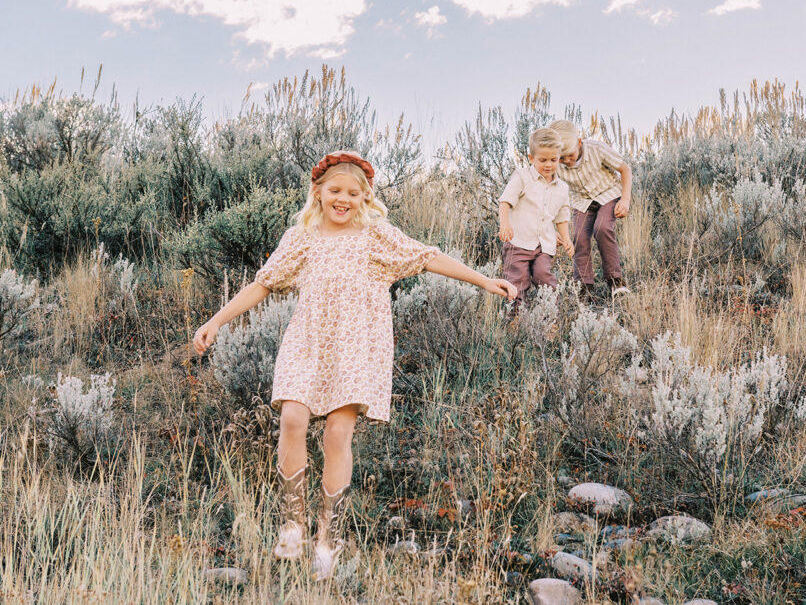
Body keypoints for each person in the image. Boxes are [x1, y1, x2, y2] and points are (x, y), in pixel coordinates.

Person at [191, 151, 517, 580]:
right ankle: (294, 523)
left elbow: (428, 257)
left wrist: (482, 279)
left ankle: (330, 537)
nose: (342, 199)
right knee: (291, 419)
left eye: (352, 192)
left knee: (336, 433)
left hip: (357, 350)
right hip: (307, 345)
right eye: (334, 191)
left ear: (365, 196)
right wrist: (216, 320)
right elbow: (262, 284)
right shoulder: (301, 237)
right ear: (319, 193)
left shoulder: (375, 236)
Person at [549, 120, 632, 299]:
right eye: (561, 159)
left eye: (570, 155)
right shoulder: (555, 164)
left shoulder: (597, 149)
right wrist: (550, 226)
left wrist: (625, 200)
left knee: (602, 228)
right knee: (579, 236)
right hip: (582, 201)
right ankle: (584, 287)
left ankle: (615, 281)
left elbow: (625, 170)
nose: (567, 162)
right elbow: (551, 195)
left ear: (579, 143)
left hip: (608, 193)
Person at [498, 128, 574, 305]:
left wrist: (566, 238)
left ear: (559, 157)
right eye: (543, 160)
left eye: (553, 160)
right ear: (531, 158)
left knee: (545, 278)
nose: (548, 165)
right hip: (518, 242)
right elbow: (505, 202)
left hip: (544, 245)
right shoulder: (522, 177)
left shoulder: (562, 188)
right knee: (517, 280)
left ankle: (551, 318)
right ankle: (513, 318)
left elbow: (562, 216)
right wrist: (505, 224)